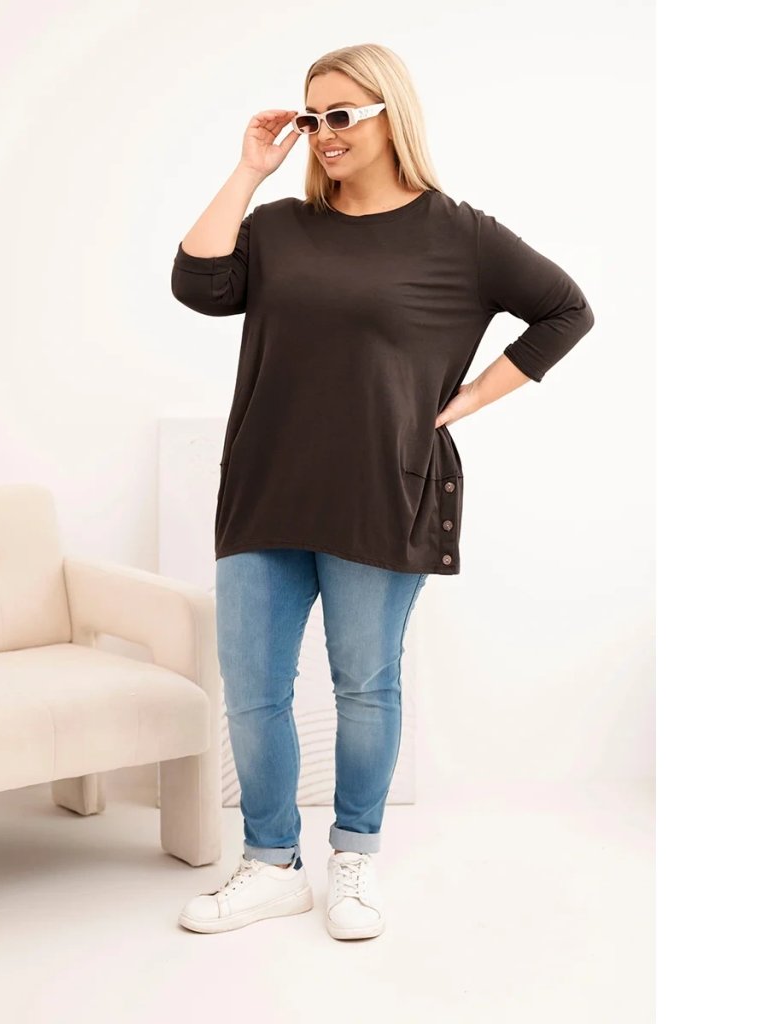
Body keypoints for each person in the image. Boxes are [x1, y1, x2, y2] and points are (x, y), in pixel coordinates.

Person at [170, 43, 595, 940]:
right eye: (312, 116)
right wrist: (249, 170)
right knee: (251, 687)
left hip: (382, 490)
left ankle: (353, 861)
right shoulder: (279, 227)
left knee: (364, 684)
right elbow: (197, 285)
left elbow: (567, 309)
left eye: (342, 115)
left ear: (390, 116)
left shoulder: (459, 235)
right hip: (264, 487)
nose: (324, 133)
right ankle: (271, 864)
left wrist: (470, 398)